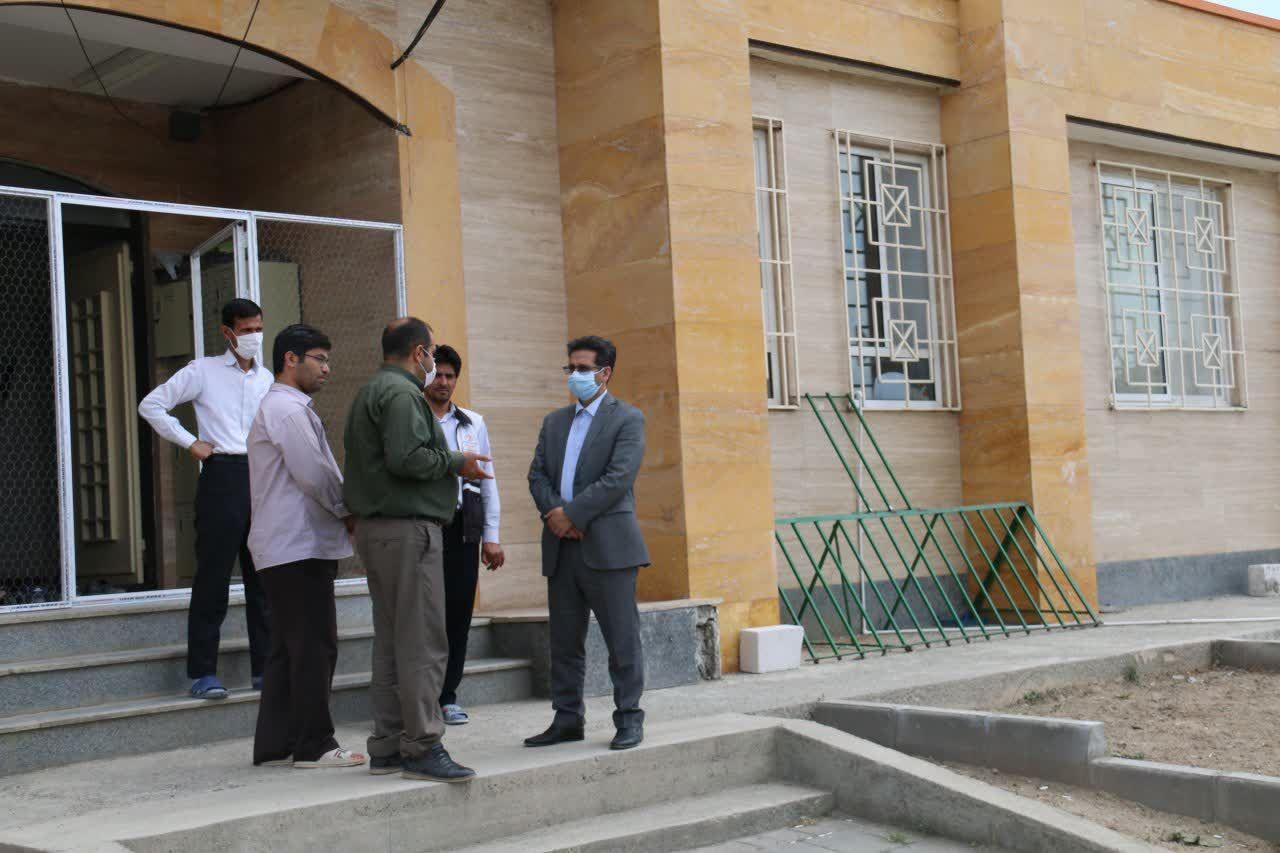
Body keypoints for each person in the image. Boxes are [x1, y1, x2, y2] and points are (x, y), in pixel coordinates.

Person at [343, 317, 491, 783]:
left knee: (391, 642)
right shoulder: (403, 394)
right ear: (419, 352)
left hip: (380, 530)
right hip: (408, 531)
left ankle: (388, 745)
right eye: (431, 352)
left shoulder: (372, 390)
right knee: (422, 641)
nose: (433, 363)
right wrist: (458, 462)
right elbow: (406, 458)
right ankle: (423, 744)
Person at [138, 298, 272, 700]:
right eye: (246, 330)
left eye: (258, 329)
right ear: (227, 332)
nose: (254, 337)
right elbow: (151, 405)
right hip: (222, 474)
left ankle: (265, 670)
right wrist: (190, 442)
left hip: (261, 476)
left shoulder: (267, 379)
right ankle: (203, 673)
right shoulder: (203, 371)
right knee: (213, 577)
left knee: (263, 579)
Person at [248, 324, 365, 769]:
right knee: (315, 645)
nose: (327, 368)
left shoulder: (284, 407)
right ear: (290, 359)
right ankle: (314, 744)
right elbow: (314, 474)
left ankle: (276, 743)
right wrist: (347, 511)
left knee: (287, 647)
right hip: (298, 546)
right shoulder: (287, 409)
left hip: (287, 546)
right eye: (319, 359)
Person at [526, 335, 649, 751]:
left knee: (622, 640)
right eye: (571, 368)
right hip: (562, 547)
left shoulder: (627, 419)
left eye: (583, 369)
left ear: (605, 373)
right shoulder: (554, 422)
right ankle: (567, 719)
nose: (574, 375)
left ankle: (628, 719)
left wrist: (573, 515)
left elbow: (619, 477)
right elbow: (537, 476)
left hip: (609, 547)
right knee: (564, 641)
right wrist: (556, 515)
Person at [423, 345, 505, 726]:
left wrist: (492, 536)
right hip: (424, 525)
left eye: (450, 376)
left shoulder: (472, 423)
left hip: (462, 527)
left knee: (458, 614)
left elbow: (488, 482)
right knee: (425, 615)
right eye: (437, 374)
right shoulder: (414, 418)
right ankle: (420, 697)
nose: (443, 382)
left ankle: (447, 696)